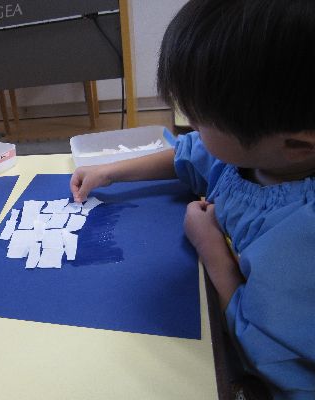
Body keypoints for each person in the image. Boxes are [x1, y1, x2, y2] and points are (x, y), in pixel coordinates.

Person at [70, 0, 314, 398]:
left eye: (201, 120)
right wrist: (111, 171)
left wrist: (211, 248)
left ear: (296, 145)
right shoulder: (253, 153)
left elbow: (266, 352)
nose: (191, 128)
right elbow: (188, 155)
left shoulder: (301, 239)